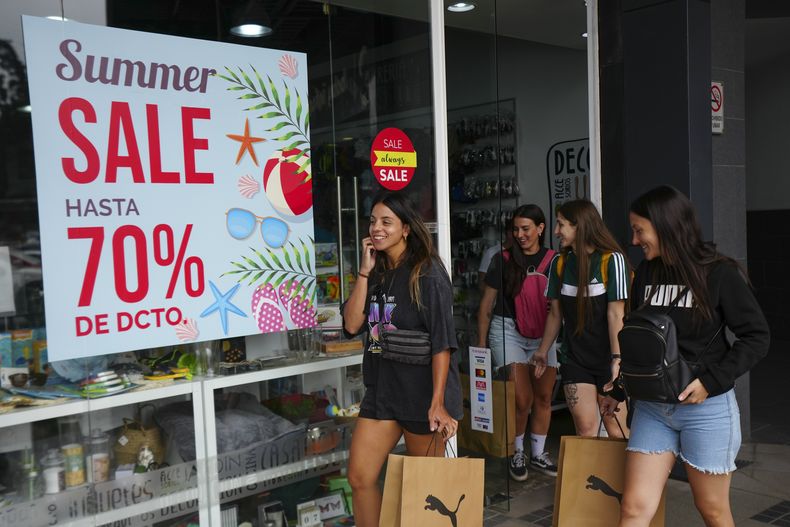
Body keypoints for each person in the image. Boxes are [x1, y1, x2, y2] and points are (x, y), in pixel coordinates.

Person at [600, 186, 770, 527]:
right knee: (633, 508)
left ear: (665, 227)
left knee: (712, 510)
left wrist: (710, 381)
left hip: (704, 411)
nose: (634, 241)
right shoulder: (646, 273)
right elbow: (641, 342)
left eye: (639, 230)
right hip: (652, 409)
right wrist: (619, 389)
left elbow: (757, 337)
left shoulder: (719, 274)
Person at [342, 191, 463, 527]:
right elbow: (352, 324)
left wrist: (438, 404)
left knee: (428, 493)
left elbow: (443, 343)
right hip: (383, 392)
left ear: (406, 228)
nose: (376, 228)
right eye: (373, 221)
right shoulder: (377, 271)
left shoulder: (427, 273)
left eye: (386, 222)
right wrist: (364, 273)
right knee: (360, 477)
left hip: (422, 395)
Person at [533, 199, 630, 437]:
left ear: (581, 227)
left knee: (617, 431)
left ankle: (622, 476)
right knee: (585, 430)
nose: (556, 232)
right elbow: (556, 313)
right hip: (575, 358)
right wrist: (543, 351)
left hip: (609, 358)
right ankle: (590, 476)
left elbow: (616, 313)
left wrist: (617, 360)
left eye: (561, 225)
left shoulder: (611, 260)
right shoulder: (559, 262)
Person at [477, 204, 559, 480]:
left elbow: (560, 309)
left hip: (545, 334)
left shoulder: (554, 261)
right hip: (508, 330)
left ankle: (538, 453)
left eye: (526, 229)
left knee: (545, 396)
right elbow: (487, 303)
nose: (520, 235)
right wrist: (481, 345)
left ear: (541, 228)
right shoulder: (501, 259)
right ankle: (517, 451)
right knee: (522, 399)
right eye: (515, 229)